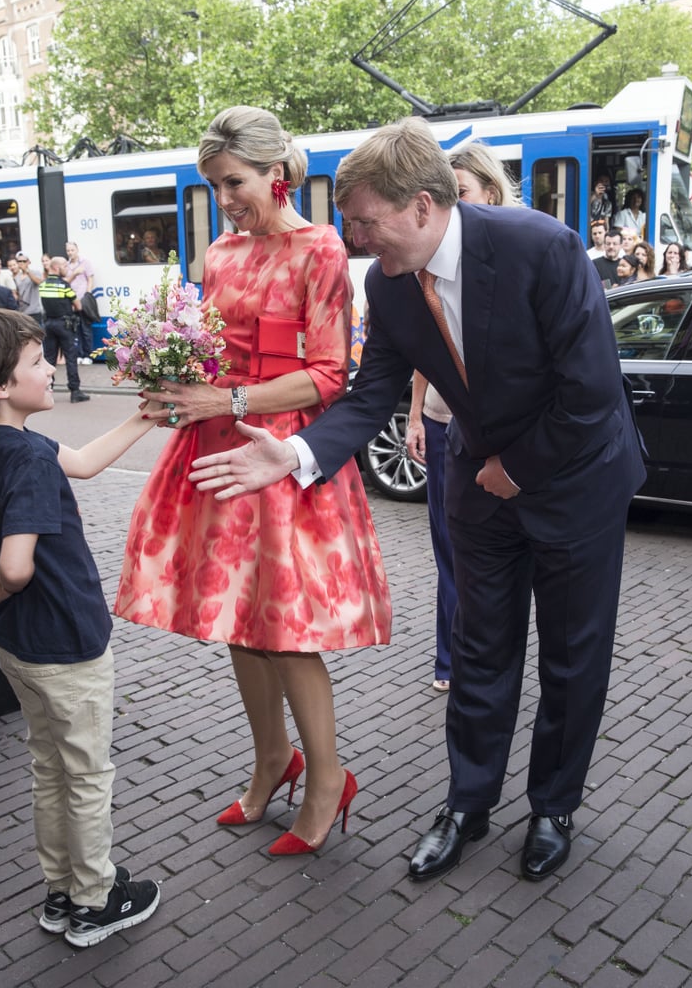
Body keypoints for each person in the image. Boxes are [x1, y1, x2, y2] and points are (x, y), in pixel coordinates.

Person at [190, 115, 646, 883]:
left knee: (572, 659)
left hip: (576, 480)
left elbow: (591, 393)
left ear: (424, 208)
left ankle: (551, 808)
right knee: (478, 651)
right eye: (349, 224)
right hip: (480, 486)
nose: (359, 240)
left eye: (366, 222)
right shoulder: (389, 283)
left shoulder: (541, 248)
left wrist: (517, 468)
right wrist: (294, 454)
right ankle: (467, 804)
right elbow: (369, 395)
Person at [116, 106, 391, 855]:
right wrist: (172, 381)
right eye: (214, 186)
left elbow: (331, 376)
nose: (225, 199)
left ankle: (327, 776)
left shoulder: (322, 250)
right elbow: (209, 352)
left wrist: (227, 398)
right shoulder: (220, 254)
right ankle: (274, 760)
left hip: (281, 454)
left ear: (277, 173)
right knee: (239, 621)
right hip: (214, 443)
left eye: (233, 183)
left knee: (286, 630)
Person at [0, 306, 160, 948]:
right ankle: (95, 900)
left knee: (49, 769)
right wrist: (11, 575)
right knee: (86, 775)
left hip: (21, 645)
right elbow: (17, 562)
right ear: (0, 386)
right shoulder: (28, 457)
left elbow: (82, 462)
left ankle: (61, 891)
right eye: (37, 363)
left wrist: (144, 417)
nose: (52, 365)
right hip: (64, 641)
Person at [406, 141, 521, 693]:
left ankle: (495, 658)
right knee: (449, 548)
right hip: (441, 422)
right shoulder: (421, 271)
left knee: (501, 555)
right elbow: (427, 351)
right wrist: (412, 417)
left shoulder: (520, 255)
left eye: (462, 192)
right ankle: (450, 659)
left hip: (505, 437)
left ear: (490, 194)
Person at [39, 256, 89, 403]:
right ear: (56, 268)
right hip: (65, 325)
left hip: (48, 325)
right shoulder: (64, 286)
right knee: (70, 358)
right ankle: (75, 391)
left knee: (49, 359)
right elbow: (78, 306)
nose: (67, 269)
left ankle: (48, 388)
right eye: (65, 267)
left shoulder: (43, 285)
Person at [65, 241, 95, 363]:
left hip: (82, 299)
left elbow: (90, 279)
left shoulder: (85, 262)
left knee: (86, 329)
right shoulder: (66, 265)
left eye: (72, 250)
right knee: (75, 329)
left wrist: (87, 294)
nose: (70, 252)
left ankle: (88, 355)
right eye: (68, 250)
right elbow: (65, 281)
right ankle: (79, 354)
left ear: (77, 250)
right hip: (71, 300)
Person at [14, 251, 44, 324]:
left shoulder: (36, 272)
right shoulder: (16, 277)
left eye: (24, 261)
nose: (21, 263)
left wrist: (27, 271)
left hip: (34, 311)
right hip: (22, 312)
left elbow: (39, 282)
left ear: (28, 262)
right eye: (19, 261)